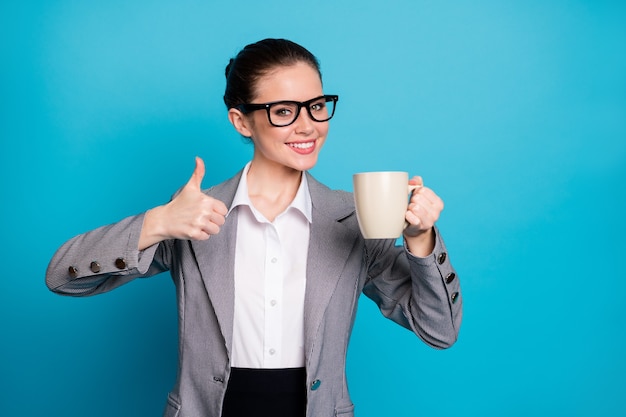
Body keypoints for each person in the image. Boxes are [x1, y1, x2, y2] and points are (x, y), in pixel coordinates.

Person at [46, 38, 462, 417]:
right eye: (283, 111)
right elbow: (62, 278)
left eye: (317, 105)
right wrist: (157, 223)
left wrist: (420, 239)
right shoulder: (194, 214)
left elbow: (438, 330)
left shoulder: (352, 218)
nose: (308, 126)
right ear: (242, 122)